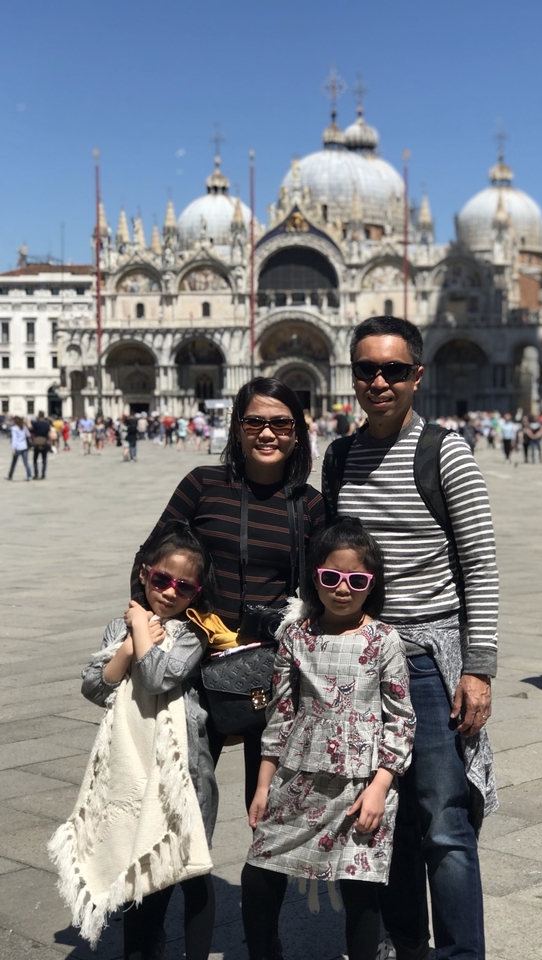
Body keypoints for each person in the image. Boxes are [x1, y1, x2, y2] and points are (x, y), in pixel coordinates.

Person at [323, 316, 498, 960]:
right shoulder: (338, 455)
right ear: (354, 377)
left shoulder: (445, 451)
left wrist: (477, 669)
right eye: (367, 369)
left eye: (393, 370)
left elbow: (479, 561)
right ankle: (405, 945)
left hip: (429, 663)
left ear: (417, 377)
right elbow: (335, 559)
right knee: (383, 823)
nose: (379, 381)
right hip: (362, 664)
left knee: (446, 824)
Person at [131, 378, 326, 804]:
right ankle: (187, 874)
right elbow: (150, 559)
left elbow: (323, 587)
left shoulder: (310, 505)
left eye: (281, 423)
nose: (267, 433)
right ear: (237, 428)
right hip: (194, 662)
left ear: (298, 433)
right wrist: (146, 626)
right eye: (254, 421)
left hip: (273, 668)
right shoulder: (203, 485)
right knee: (179, 795)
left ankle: (267, 874)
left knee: (273, 802)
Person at [241, 518, 415, 960]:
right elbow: (280, 714)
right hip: (298, 778)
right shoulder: (296, 635)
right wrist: (263, 784)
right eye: (330, 577)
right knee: (260, 871)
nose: (343, 589)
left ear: (371, 584)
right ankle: (264, 952)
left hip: (362, 787)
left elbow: (400, 721)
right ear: (314, 579)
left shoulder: (384, 640)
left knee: (360, 889)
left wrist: (380, 787)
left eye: (356, 579)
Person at [49, 520, 219, 960]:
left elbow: (158, 675)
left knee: (190, 867)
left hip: (182, 771)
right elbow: (95, 687)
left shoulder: (195, 633)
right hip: (130, 762)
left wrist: (140, 629)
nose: (169, 592)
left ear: (196, 594)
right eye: (161, 579)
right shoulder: (118, 627)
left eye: (183, 587)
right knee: (135, 865)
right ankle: (141, 949)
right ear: (145, 573)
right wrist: (126, 644)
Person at [7, 415, 32, 481]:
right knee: (26, 463)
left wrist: (13, 449)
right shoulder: (24, 427)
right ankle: (29, 476)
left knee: (14, 463)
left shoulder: (14, 428)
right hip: (24, 446)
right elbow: (28, 435)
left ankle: (10, 475)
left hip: (17, 447)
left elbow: (14, 439)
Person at [31, 410, 52, 479]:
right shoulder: (46, 424)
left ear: (39, 415)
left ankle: (36, 474)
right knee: (44, 459)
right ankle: (43, 474)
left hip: (37, 442)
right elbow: (49, 433)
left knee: (35, 460)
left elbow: (32, 431)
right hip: (44, 442)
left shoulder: (35, 423)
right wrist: (50, 442)